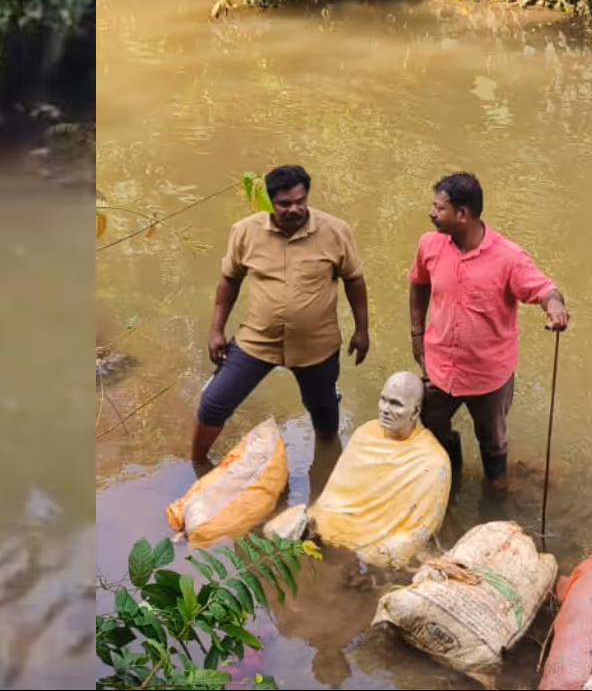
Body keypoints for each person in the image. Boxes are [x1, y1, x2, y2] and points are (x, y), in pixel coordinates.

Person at [192, 164, 370, 475]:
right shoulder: (245, 231)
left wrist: (362, 329)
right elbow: (229, 281)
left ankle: (325, 473)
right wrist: (216, 330)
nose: (295, 209)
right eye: (285, 204)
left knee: (325, 416)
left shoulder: (335, 231)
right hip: (257, 341)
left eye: (301, 201)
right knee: (213, 403)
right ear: (270, 202)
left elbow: (354, 280)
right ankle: (197, 466)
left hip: (317, 346)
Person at [409, 172, 569, 494]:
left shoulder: (508, 258)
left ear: (463, 214)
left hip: (488, 377)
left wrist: (555, 308)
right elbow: (418, 283)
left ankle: (495, 492)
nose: (432, 213)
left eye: (439, 208)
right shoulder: (430, 244)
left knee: (493, 444)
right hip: (440, 367)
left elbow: (545, 289)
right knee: (431, 425)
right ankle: (450, 467)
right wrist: (416, 335)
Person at [304, 371, 451, 570]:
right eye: (383, 400)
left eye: (395, 404)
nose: (384, 409)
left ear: (415, 412)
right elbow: (334, 495)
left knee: (384, 557)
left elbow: (420, 529)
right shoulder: (366, 432)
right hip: (338, 520)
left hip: (382, 538)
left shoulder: (433, 460)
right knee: (281, 528)